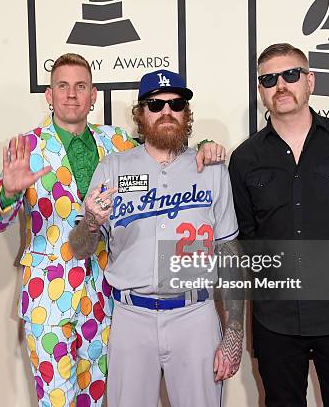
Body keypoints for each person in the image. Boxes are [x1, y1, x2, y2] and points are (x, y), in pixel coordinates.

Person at [0, 54, 226, 407]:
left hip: (105, 298)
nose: (71, 95)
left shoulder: (118, 143)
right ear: (49, 96)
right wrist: (9, 191)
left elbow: (165, 147)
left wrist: (204, 148)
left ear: (93, 95)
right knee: (58, 401)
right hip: (47, 298)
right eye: (62, 86)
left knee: (95, 400)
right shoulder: (27, 148)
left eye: (80, 86)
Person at [228, 43, 329, 406]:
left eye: (291, 75)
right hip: (275, 316)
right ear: (261, 90)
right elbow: (246, 233)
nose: (281, 85)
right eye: (269, 79)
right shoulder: (245, 158)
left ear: (310, 81)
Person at [68, 69, 245, 407]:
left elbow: (228, 251)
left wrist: (234, 328)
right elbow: (79, 249)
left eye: (176, 104)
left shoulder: (211, 168)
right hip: (131, 317)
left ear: (186, 113)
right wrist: (90, 221)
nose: (166, 111)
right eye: (155, 104)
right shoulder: (113, 167)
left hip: (195, 314)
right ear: (141, 113)